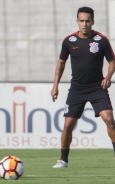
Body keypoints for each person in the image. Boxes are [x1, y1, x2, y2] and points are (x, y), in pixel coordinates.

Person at [51, 6, 115, 168]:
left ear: (92, 21)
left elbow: (112, 61)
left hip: (97, 88)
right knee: (67, 125)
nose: (85, 24)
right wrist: (55, 86)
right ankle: (63, 160)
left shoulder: (101, 40)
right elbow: (61, 63)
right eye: (81, 21)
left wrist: (108, 77)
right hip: (77, 89)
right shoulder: (69, 41)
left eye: (87, 21)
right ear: (77, 22)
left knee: (109, 120)